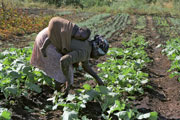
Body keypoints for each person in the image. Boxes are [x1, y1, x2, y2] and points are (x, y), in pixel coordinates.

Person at [30, 17, 109, 97]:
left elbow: (85, 65)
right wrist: (67, 80)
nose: (97, 58)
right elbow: (63, 61)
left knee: (67, 72)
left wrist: (98, 79)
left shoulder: (87, 43)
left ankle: (59, 92)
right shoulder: (84, 53)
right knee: (65, 73)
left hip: (48, 32)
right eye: (99, 55)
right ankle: (58, 94)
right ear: (96, 50)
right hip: (47, 40)